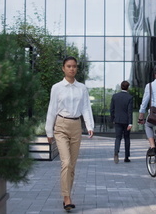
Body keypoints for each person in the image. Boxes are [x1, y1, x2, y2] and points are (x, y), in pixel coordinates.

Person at [45, 56, 95, 211]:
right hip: (60, 125)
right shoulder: (57, 87)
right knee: (65, 162)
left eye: (74, 66)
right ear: (63, 68)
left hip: (76, 126)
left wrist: (89, 125)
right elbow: (52, 109)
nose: (72, 68)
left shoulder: (82, 88)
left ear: (76, 68)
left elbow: (86, 107)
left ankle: (68, 195)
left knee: (71, 165)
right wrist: (49, 130)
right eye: (68, 66)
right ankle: (67, 198)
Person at [110, 80, 134, 163]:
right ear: (128, 88)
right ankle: (126, 157)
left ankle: (116, 153)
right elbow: (129, 111)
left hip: (117, 120)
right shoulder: (130, 97)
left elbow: (111, 109)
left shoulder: (115, 96)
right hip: (126, 121)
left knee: (118, 138)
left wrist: (113, 119)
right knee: (127, 138)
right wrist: (130, 123)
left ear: (121, 87)